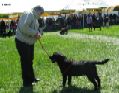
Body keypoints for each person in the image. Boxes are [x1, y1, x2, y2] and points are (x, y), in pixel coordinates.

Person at [15, 5, 44, 87]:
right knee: (25, 62)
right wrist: (35, 33)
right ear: (37, 11)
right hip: (22, 42)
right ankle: (26, 82)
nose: (41, 15)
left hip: (29, 43)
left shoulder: (34, 18)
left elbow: (33, 30)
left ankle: (32, 78)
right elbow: (24, 27)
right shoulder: (29, 14)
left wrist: (37, 34)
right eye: (41, 13)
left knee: (30, 60)